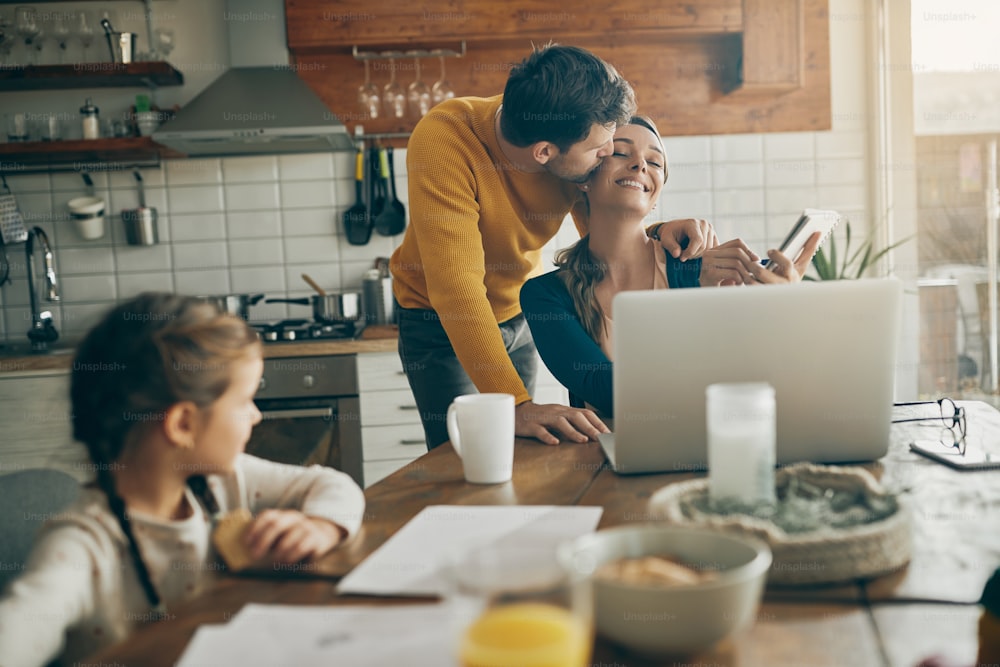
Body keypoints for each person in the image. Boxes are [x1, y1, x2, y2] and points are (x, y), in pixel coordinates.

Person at [0, 293, 365, 667]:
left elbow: (333, 485)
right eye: (244, 402)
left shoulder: (220, 483)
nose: (255, 416)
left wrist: (321, 525)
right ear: (182, 424)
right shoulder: (82, 548)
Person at [391, 43, 716, 450]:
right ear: (544, 154)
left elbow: (601, 223)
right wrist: (517, 405)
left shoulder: (569, 130)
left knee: (524, 450)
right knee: (467, 457)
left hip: (515, 311)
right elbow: (456, 288)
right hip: (440, 318)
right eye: (603, 151)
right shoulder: (447, 141)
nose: (607, 156)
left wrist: (660, 230)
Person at [520, 116, 820, 417]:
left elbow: (754, 380)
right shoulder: (546, 295)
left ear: (656, 194)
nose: (641, 165)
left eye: (655, 162)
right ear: (584, 175)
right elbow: (607, 392)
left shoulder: (702, 269)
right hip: (605, 460)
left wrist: (783, 310)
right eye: (621, 153)